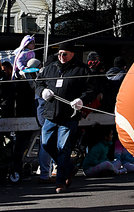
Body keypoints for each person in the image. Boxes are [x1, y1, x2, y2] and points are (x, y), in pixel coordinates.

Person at [36, 41, 97, 193]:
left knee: (63, 147)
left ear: (72, 54)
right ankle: (69, 167)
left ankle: (60, 181)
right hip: (50, 114)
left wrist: (82, 100)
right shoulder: (50, 68)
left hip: (69, 116)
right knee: (46, 144)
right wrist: (42, 91)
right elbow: (38, 84)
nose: (61, 57)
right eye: (59, 54)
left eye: (64, 54)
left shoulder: (82, 70)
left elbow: (92, 89)